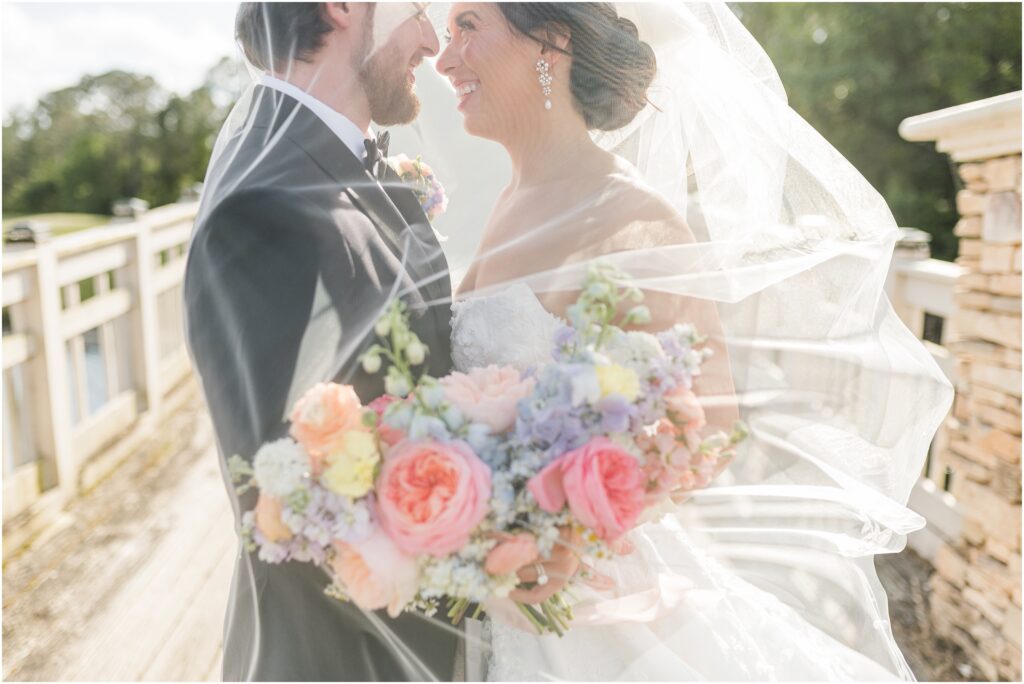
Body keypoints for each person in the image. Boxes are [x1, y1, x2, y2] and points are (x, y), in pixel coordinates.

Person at [429, 2, 952, 680]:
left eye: (467, 27)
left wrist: (563, 531)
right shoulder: (511, 196)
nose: (443, 60)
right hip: (484, 585)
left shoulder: (626, 213)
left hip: (584, 606)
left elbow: (709, 422)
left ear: (550, 42)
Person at [183, 3, 461, 680]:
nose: (431, 39)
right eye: (419, 9)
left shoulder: (317, 162)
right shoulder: (265, 208)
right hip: (345, 657)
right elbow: (293, 500)